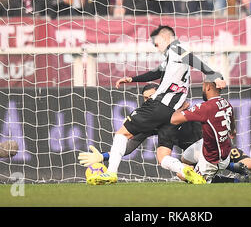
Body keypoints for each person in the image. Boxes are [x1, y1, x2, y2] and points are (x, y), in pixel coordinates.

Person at [81, 25, 226, 185]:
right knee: (163, 157)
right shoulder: (172, 58)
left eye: (157, 44)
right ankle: (185, 170)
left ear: (165, 38)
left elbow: (192, 58)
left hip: (159, 105)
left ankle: (111, 173)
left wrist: (212, 74)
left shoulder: (176, 48)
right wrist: (132, 79)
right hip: (172, 112)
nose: (157, 48)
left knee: (121, 134)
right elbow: (156, 72)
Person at [170, 81, 236, 183]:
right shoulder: (226, 103)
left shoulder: (205, 107)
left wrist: (182, 108)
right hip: (221, 150)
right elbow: (233, 130)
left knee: (182, 175)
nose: (202, 90)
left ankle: (235, 180)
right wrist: (231, 131)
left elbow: (174, 119)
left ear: (208, 87)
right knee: (184, 159)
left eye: (203, 87)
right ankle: (233, 166)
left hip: (212, 160)